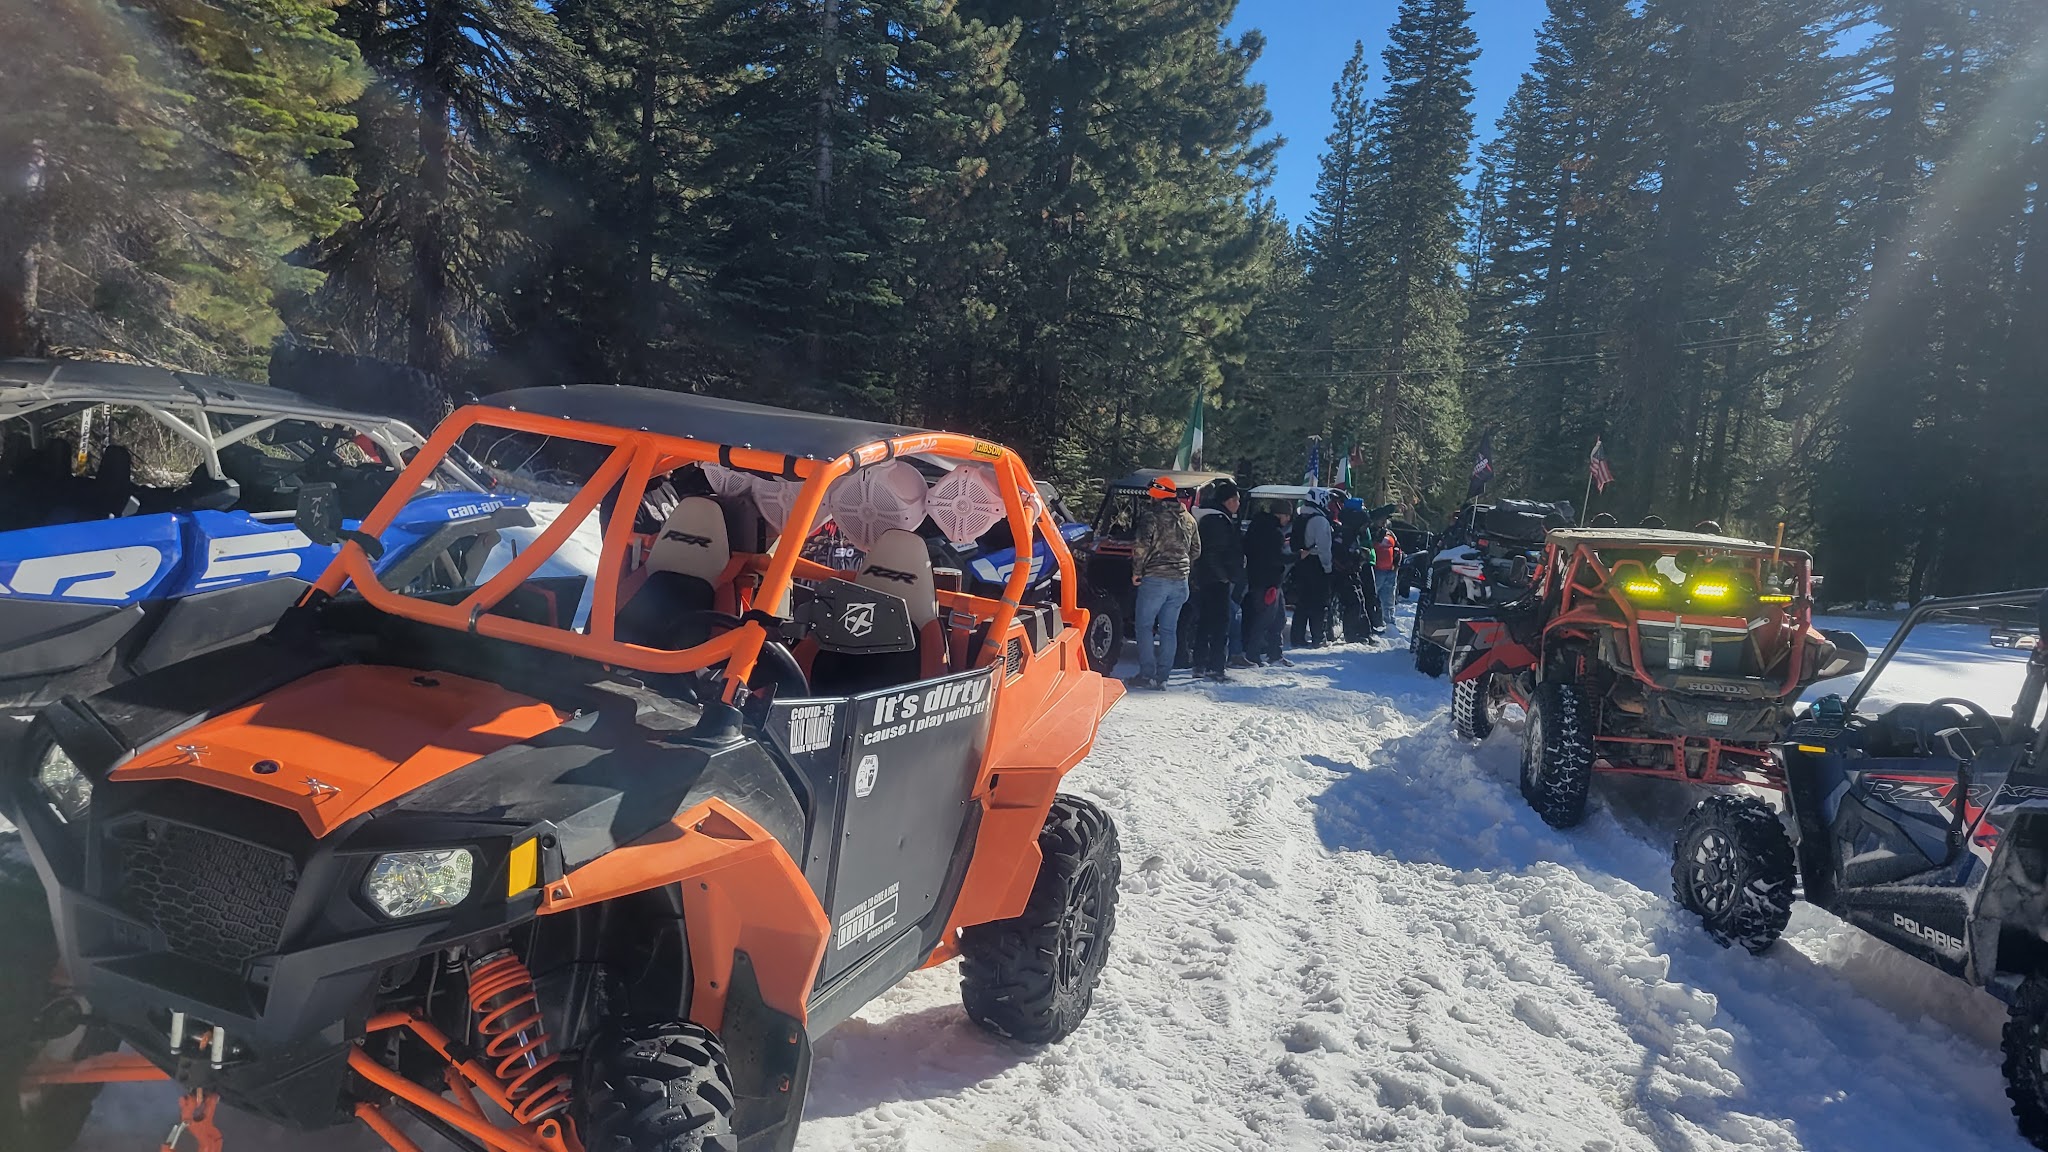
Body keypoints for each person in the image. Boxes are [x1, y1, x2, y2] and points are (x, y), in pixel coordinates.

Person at [1128, 476, 1199, 689]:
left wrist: (1137, 572)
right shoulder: (1189, 519)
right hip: (1180, 581)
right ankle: (1163, 678)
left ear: (1158, 494)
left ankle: (1146, 674)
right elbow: (1196, 551)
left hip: (1155, 579)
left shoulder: (1151, 516)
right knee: (1169, 629)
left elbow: (1140, 547)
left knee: (1144, 626)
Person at [1191, 480, 1245, 681]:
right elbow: (1214, 553)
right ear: (1229, 501)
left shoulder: (1210, 517)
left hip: (1205, 578)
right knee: (1220, 623)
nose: (1239, 504)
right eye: (1237, 499)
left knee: (1205, 622)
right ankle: (1216, 666)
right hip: (1216, 580)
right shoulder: (1218, 521)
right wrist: (1224, 576)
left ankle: (1200, 664)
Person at [1242, 504, 1291, 666]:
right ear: (1280, 515)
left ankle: (1275, 653)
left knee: (1278, 618)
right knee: (1266, 619)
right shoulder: (1274, 533)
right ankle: (1253, 654)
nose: (1288, 520)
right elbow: (1279, 556)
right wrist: (1298, 555)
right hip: (1269, 582)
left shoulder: (1256, 527)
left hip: (1260, 579)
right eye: (1287, 516)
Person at [1289, 489, 1334, 647]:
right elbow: (1324, 547)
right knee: (1318, 603)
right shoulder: (1320, 520)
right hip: (1316, 564)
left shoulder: (1300, 517)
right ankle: (1318, 637)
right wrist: (1328, 567)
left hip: (1301, 562)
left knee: (1302, 603)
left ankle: (1297, 637)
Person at [1369, 509, 1403, 642]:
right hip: (1377, 571)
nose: (1384, 521)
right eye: (1381, 519)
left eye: (1385, 519)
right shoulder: (1371, 532)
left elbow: (1398, 548)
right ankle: (1371, 622)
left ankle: (1390, 623)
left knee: (1389, 598)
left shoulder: (1391, 534)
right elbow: (1370, 545)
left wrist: (1397, 561)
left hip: (1390, 571)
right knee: (1372, 597)